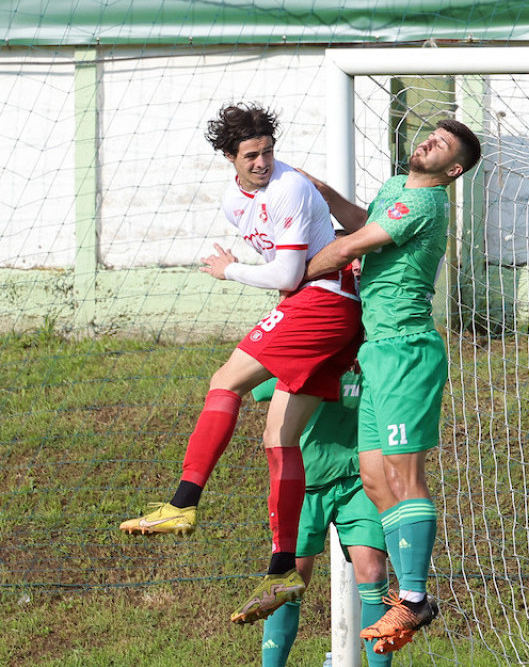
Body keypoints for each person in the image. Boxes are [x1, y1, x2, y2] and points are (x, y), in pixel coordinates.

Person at [119, 103, 365, 625]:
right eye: (251, 155)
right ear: (229, 157)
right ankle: (282, 569)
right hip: (320, 307)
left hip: (322, 303)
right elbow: (283, 271)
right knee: (279, 436)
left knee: (224, 381)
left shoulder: (290, 187)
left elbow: (288, 270)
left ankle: (183, 502)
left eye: (268, 152)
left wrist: (230, 271)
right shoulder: (235, 200)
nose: (262, 162)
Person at [304, 119, 482, 654]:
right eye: (430, 133)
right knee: (374, 474)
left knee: (404, 473)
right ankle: (398, 604)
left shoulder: (427, 204)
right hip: (377, 351)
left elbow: (351, 246)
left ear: (452, 170)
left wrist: (286, 274)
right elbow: (367, 221)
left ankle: (415, 597)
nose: (427, 140)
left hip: (407, 349)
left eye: (442, 144)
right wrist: (325, 194)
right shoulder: (395, 189)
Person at [251, 368, 391, 667]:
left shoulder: (370, 356)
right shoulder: (312, 352)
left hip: (359, 479)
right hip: (303, 481)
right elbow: (258, 385)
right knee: (289, 581)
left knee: (374, 573)